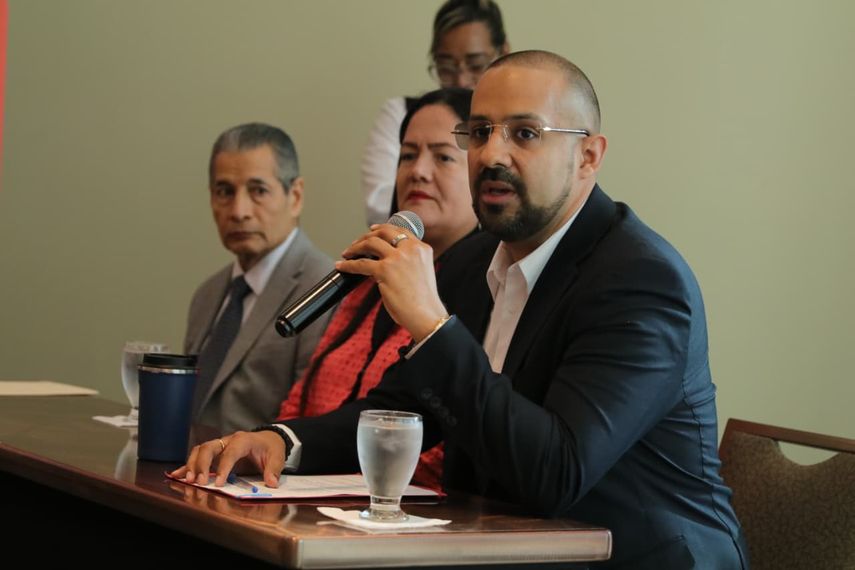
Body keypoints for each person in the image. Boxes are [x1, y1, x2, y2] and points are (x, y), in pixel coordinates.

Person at [176, 52, 748, 569]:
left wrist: (431, 323)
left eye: (525, 133)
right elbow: (401, 414)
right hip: (496, 549)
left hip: (636, 558)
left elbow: (556, 473)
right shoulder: (473, 260)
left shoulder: (640, 281)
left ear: (587, 157)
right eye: (480, 132)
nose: (493, 154)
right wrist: (281, 442)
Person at [278, 88, 478, 492]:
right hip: (307, 494)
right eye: (407, 155)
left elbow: (442, 441)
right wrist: (275, 441)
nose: (418, 171)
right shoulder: (367, 278)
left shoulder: (483, 290)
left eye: (442, 156)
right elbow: (300, 398)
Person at [184, 123, 333, 433]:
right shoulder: (208, 294)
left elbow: (311, 422)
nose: (239, 211)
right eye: (225, 192)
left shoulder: (324, 289)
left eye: (258, 191)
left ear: (295, 196)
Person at [361, 0, 508, 226]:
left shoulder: (514, 126)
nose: (460, 81)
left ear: (503, 53)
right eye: (446, 67)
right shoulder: (403, 113)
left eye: (476, 65)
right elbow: (379, 205)